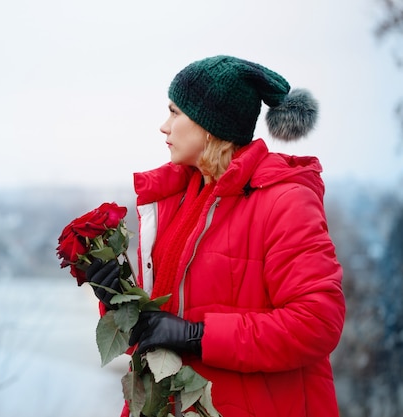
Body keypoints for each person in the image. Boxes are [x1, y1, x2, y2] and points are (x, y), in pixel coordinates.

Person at [86, 55, 345, 417]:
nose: (164, 126)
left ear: (210, 125)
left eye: (175, 113)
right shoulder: (173, 201)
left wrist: (199, 336)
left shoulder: (285, 202)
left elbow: (317, 324)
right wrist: (117, 300)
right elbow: (159, 330)